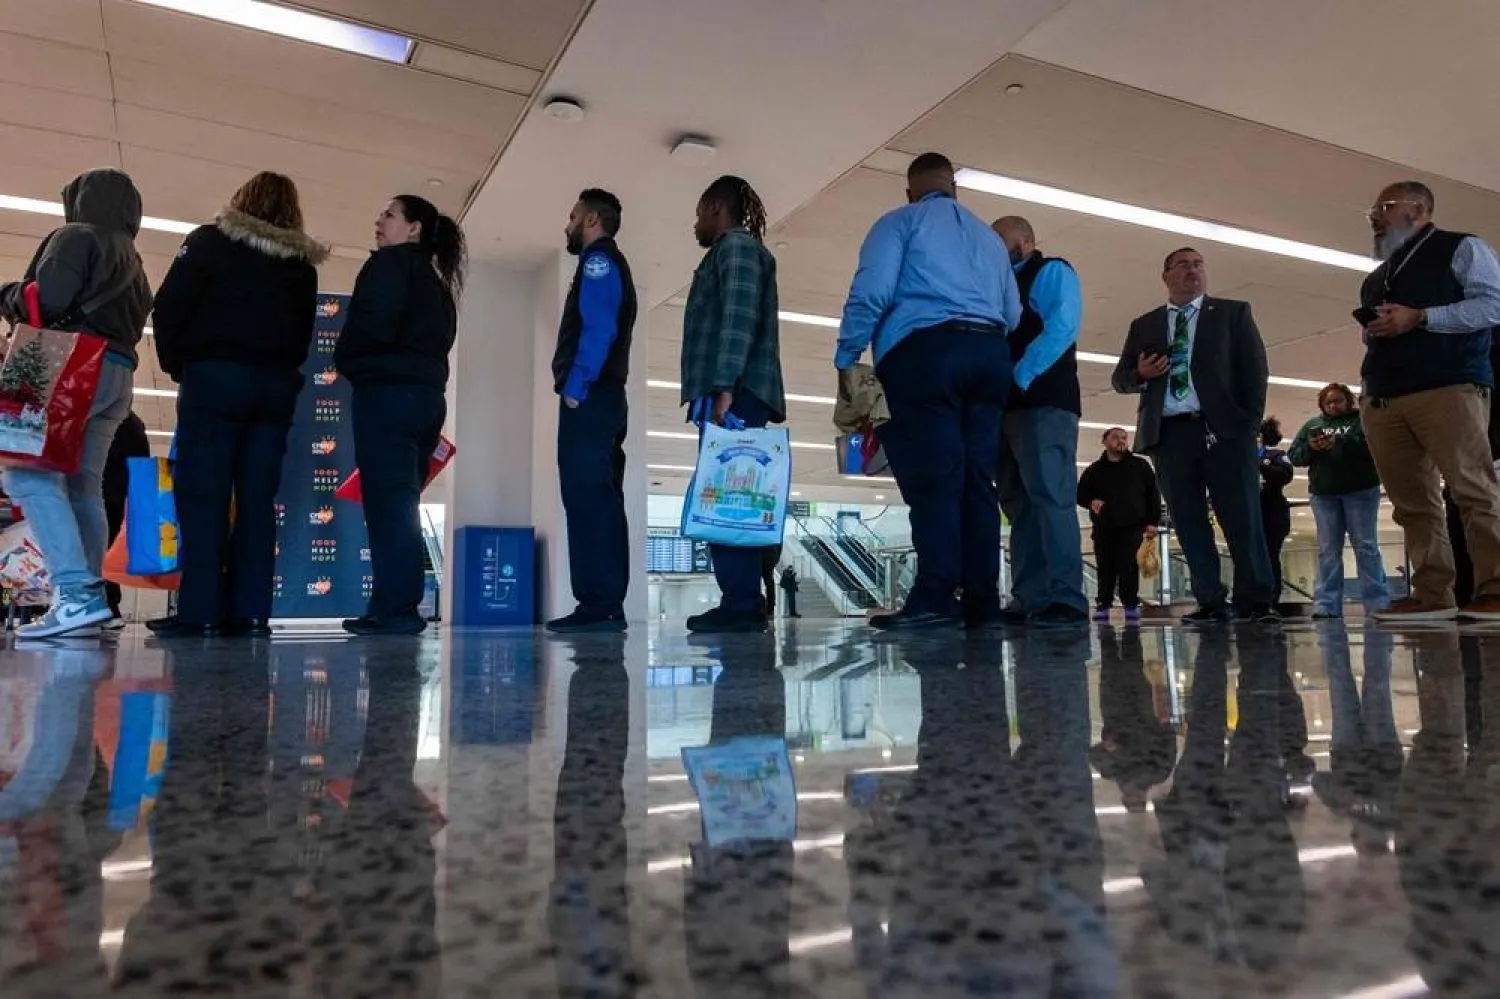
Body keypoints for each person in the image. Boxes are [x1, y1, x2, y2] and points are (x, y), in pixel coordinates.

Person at [834, 152, 1020, 631]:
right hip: (990, 356)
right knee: (978, 481)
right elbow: (1013, 313)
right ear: (954, 188)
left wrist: (847, 356)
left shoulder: (899, 222)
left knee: (934, 481)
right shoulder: (989, 238)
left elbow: (872, 290)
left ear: (911, 190)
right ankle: (982, 601)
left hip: (925, 357)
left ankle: (936, 596)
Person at [148, 171, 327, 639]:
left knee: (204, 496)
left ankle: (201, 611)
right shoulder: (302, 267)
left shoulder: (210, 242)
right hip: (274, 390)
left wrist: (179, 365)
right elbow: (301, 338)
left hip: (215, 378)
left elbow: (169, 308)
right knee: (256, 501)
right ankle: (250, 613)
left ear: (241, 201)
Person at [0, 168, 152, 638]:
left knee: (26, 471)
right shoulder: (133, 259)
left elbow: (48, 298)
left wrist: (7, 295)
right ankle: (90, 599)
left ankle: (74, 592)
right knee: (84, 483)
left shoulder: (74, 236)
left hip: (58, 361)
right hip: (117, 372)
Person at [1357, 180, 1500, 622]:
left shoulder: (1462, 248)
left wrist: (1421, 317)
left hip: (1448, 385)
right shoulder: (1378, 275)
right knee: (1412, 503)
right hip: (1385, 397)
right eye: (1373, 212)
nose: (1375, 217)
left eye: (1384, 207)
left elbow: (1493, 306)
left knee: (1473, 490)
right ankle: (1432, 592)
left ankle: (1495, 588)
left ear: (1418, 209)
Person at [1111, 247, 1277, 625]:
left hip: (1224, 431)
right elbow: (1121, 380)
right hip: (1169, 433)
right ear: (1165, 275)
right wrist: (1141, 374)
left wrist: (1247, 424)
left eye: (1198, 264)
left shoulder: (1233, 313)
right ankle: (1210, 601)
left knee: (1242, 516)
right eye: (1182, 265)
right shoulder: (1145, 324)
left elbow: (1255, 370)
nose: (1192, 270)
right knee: (1188, 520)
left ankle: (1256, 599)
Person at [335, 195, 465, 636]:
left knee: (388, 503)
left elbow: (371, 326)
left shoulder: (389, 266)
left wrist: (348, 361)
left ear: (414, 229)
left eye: (388, 214)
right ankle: (399, 604)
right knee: (402, 501)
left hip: (387, 395)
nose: (378, 220)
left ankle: (395, 608)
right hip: (427, 400)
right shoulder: (438, 285)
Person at [679, 176, 786, 634]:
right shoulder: (732, 252)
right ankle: (742, 598)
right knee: (731, 495)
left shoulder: (736, 249)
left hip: (737, 392)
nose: (696, 223)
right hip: (735, 389)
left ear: (716, 208)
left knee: (730, 499)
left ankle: (741, 602)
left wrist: (724, 386)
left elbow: (737, 319)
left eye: (700, 213)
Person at [546, 189, 636, 635]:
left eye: (572, 215)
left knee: (587, 496)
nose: (567, 224)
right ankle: (603, 603)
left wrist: (577, 387)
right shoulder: (605, 261)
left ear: (591, 219)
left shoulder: (598, 261)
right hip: (606, 395)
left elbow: (600, 325)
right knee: (599, 496)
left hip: (592, 393)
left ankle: (598, 603)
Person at [990, 215, 1088, 626]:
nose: (994, 247)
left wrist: (1020, 376)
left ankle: (1066, 598)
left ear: (1027, 241)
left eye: (1002, 239)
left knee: (1051, 497)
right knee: (1019, 505)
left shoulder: (1051, 271)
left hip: (1043, 403)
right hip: (1004, 408)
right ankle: (1029, 597)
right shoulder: (994, 286)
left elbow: (1063, 325)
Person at [1287, 383, 1389, 619]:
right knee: (1328, 550)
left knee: (1366, 546)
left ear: (1348, 401)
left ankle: (1378, 603)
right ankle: (1326, 604)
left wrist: (1341, 443)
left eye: (1338, 400)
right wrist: (1311, 448)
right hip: (1324, 495)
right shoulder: (1312, 425)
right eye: (1328, 402)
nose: (1333, 405)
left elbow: (1374, 447)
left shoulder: (1361, 421)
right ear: (1322, 405)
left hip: (1361, 491)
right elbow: (1295, 455)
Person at [1076, 427, 1161, 622]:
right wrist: (1091, 502)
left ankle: (1130, 604)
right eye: (1115, 437)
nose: (1121, 441)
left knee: (1129, 566)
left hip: (1133, 525)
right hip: (1104, 526)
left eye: (1124, 437)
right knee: (1105, 567)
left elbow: (1153, 495)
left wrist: (1152, 522)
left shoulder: (1140, 466)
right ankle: (1103, 604)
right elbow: (1080, 495)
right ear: (1104, 441)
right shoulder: (1093, 470)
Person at [101, 410, 149, 627]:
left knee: (99, 551)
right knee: (108, 552)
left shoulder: (108, 421)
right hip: (122, 498)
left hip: (104, 495)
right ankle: (110, 608)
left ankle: (105, 607)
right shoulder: (135, 424)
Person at [1257, 417, 1295, 605]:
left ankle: (1272, 598)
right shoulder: (1237, 458)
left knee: (1270, 555)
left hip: (1273, 514)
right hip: (1250, 516)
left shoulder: (1275, 456)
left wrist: (1260, 464)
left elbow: (1285, 475)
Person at [760, 544, 782, 621]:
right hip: (770, 557)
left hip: (759, 557)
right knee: (769, 583)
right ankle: (770, 609)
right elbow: (779, 546)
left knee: (754, 582)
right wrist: (775, 560)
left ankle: (756, 606)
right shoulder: (774, 534)